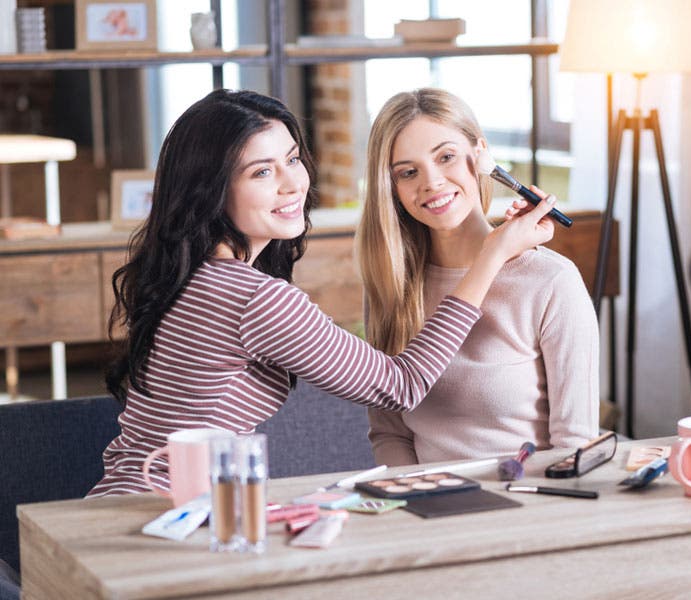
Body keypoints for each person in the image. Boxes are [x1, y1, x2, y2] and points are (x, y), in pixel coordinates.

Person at [87, 89, 556, 498]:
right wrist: (492, 257)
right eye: (261, 173)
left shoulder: (187, 276)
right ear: (211, 190)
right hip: (168, 519)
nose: (293, 183)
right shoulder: (254, 299)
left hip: (122, 504)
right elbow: (401, 386)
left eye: (292, 159)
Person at [357, 88, 600, 467]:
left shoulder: (551, 281)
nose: (432, 182)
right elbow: (390, 432)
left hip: (526, 505)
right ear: (392, 188)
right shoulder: (392, 284)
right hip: (424, 508)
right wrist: (415, 499)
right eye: (408, 172)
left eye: (446, 157)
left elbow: (574, 446)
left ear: (480, 153)